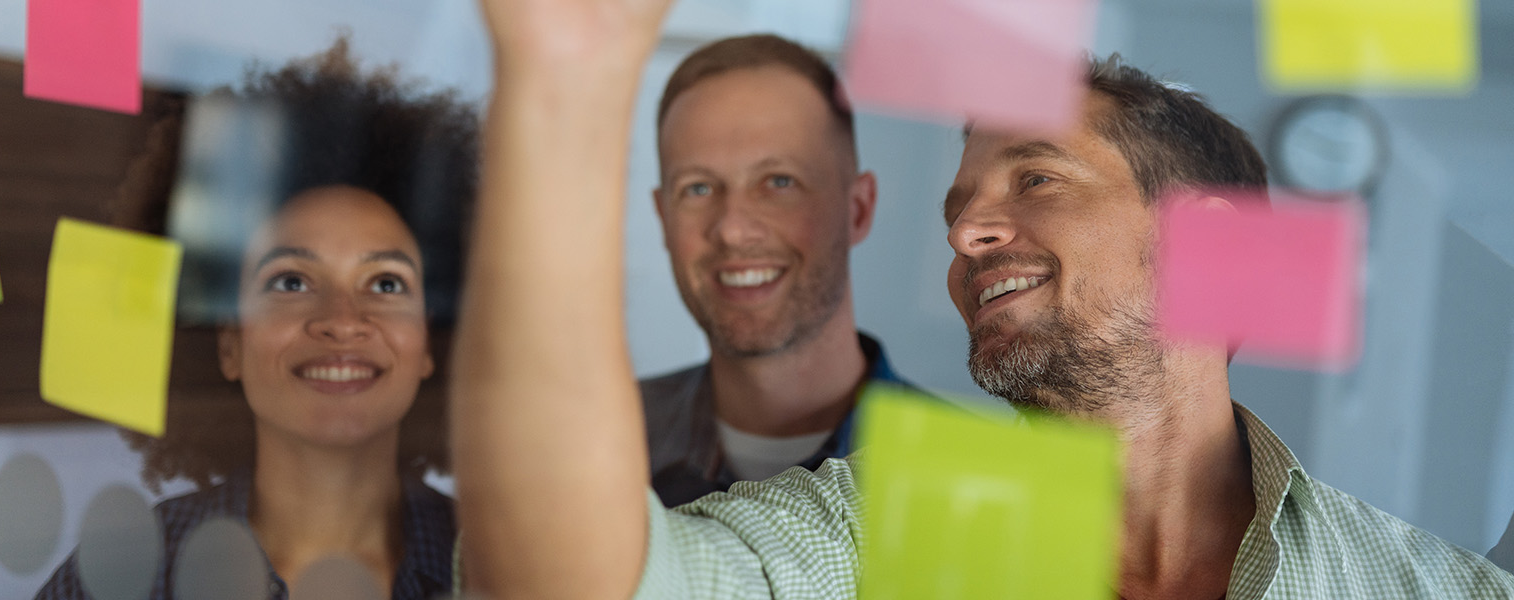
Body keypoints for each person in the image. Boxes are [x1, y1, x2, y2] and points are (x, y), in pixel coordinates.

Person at [452, 2, 1514, 596]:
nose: (963, 234)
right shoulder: (886, 532)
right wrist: (567, 68)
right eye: (959, 205)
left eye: (1036, 181)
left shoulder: (1437, 591)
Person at [36, 40, 478, 600]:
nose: (343, 321)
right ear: (228, 343)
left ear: (430, 345)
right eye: (291, 282)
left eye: (387, 284)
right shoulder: (127, 574)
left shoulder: (501, 564)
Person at [643, 33, 922, 506]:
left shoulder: (976, 476)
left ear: (857, 210)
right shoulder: (587, 442)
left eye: (778, 182)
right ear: (663, 218)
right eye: (697, 189)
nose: (732, 229)